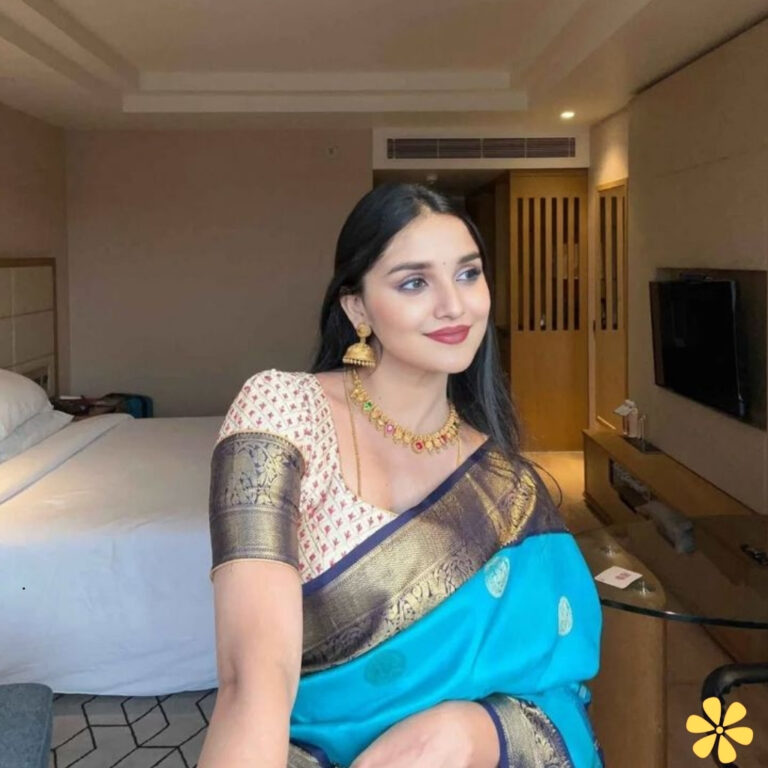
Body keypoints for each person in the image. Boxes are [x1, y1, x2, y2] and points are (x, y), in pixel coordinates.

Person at [198, 183, 604, 768]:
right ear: (356, 307)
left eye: (468, 274)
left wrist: (468, 732)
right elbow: (253, 683)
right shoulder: (285, 414)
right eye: (414, 282)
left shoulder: (507, 486)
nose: (454, 305)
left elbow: (558, 693)